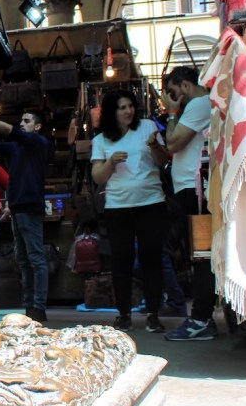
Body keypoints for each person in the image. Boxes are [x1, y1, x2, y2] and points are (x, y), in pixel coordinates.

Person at [91, 90, 168, 333]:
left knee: (151, 256)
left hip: (152, 202)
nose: (128, 111)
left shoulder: (147, 127)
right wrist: (111, 162)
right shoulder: (101, 140)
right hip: (118, 206)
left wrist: (155, 145)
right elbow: (97, 177)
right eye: (122, 107)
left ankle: (153, 313)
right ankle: (124, 314)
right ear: (112, 112)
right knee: (121, 259)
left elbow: (162, 160)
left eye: (130, 106)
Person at [161, 66, 218, 341]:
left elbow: (173, 144)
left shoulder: (198, 103)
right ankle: (202, 317)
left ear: (184, 86)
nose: (171, 99)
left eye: (172, 92)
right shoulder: (201, 105)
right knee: (199, 255)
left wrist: (171, 113)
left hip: (195, 190)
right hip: (192, 188)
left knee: (201, 256)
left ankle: (201, 319)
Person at [0, 111, 52, 321]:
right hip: (19, 208)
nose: (22, 123)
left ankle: (37, 306)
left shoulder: (38, 142)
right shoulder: (18, 148)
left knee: (35, 258)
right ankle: (30, 305)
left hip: (28, 207)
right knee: (24, 259)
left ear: (37, 127)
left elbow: (8, 131)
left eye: (27, 121)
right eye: (22, 120)